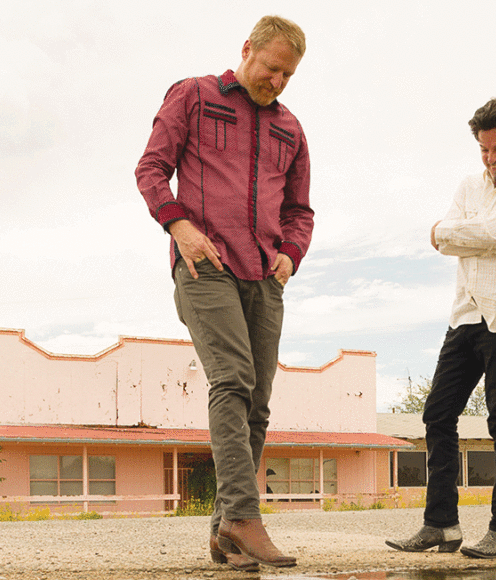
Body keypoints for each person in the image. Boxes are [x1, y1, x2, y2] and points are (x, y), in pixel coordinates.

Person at [135, 15, 313, 572]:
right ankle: (243, 514)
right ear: (247, 50)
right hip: (205, 265)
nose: (277, 81)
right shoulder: (193, 95)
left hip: (265, 275)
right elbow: (151, 169)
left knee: (257, 402)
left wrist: (290, 254)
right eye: (271, 67)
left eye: (288, 74)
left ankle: (226, 534)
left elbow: (299, 210)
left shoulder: (291, 129)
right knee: (232, 379)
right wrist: (178, 226)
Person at [386, 96, 496, 559]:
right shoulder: (469, 185)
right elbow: (442, 238)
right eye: (483, 149)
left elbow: (466, 233)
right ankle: (441, 525)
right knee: (437, 415)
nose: (490, 157)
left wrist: (489, 233)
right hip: (465, 315)